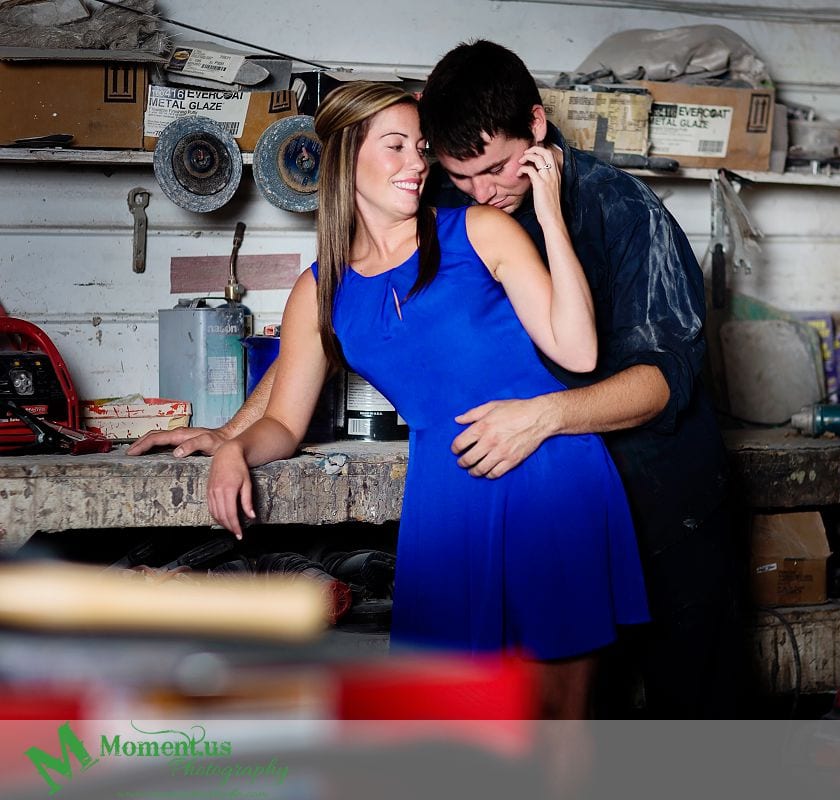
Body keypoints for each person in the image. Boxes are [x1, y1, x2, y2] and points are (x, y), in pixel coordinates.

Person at [132, 41, 742, 718]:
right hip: (461, 483)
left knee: (673, 704)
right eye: (439, 162)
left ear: (536, 130)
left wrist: (539, 415)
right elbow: (299, 380)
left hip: (649, 485)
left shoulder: (617, 215)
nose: (469, 185)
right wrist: (230, 439)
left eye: (489, 169)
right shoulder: (431, 201)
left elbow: (659, 378)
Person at [203, 81, 649, 719]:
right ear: (345, 160)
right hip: (448, 492)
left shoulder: (480, 230)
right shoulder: (318, 293)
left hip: (551, 477)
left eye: (421, 147)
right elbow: (283, 420)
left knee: (554, 721)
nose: (418, 164)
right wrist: (232, 449)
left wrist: (549, 214)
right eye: (396, 147)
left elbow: (578, 352)